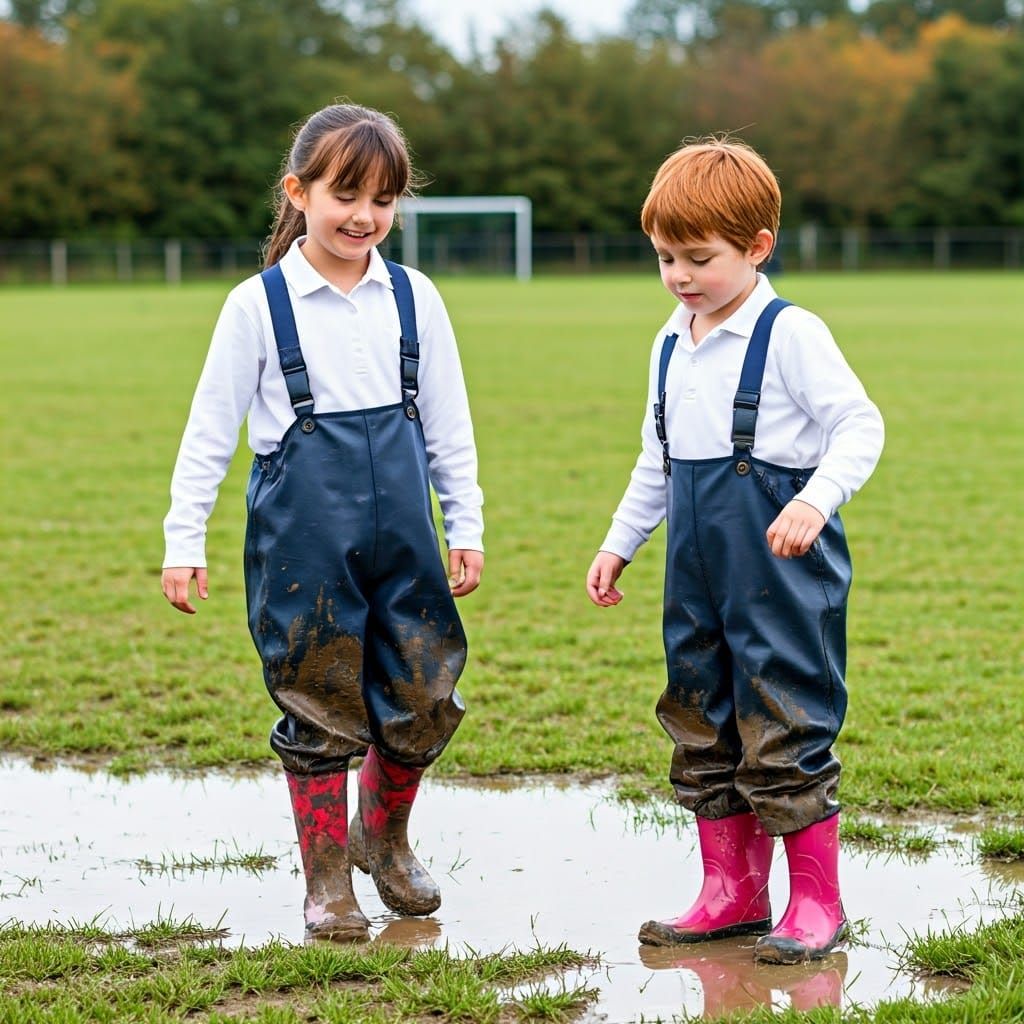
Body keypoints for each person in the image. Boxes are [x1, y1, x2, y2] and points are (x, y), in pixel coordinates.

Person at [161, 103, 484, 943]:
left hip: (407, 543)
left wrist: (467, 525)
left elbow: (450, 426)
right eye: (346, 194)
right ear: (298, 191)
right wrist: (180, 539)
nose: (365, 216)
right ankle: (327, 880)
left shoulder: (414, 297)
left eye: (384, 199)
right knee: (320, 704)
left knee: (425, 695)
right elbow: (208, 431)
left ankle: (383, 833)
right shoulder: (257, 306)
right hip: (302, 546)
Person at [586, 139, 883, 964]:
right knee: (703, 720)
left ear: (757, 247)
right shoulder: (669, 342)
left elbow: (861, 425)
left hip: (781, 572)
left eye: (699, 258)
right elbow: (660, 458)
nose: (680, 275)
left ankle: (817, 904)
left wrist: (814, 500)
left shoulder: (790, 333)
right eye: (665, 258)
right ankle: (731, 893)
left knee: (785, 719)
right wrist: (621, 543)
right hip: (696, 574)